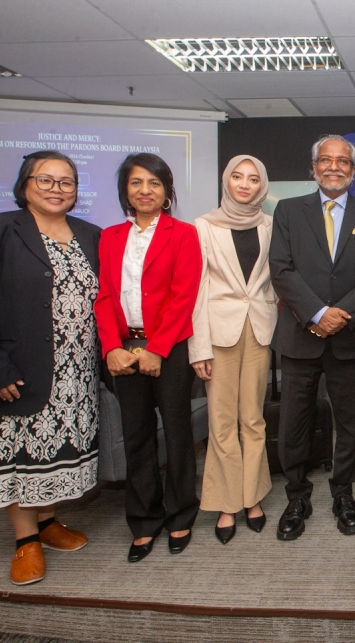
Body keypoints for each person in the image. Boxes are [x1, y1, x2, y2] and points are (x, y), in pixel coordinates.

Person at [0, 150, 100, 586]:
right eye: (46, 180)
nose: (57, 189)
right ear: (25, 185)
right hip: (16, 370)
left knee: (58, 452)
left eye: (66, 182)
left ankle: (48, 521)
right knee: (19, 454)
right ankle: (25, 541)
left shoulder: (90, 235)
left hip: (76, 371)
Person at [268, 134, 355, 540]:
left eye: (342, 161)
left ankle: (343, 493)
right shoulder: (287, 211)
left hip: (351, 337)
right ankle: (297, 496)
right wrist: (318, 314)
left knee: (350, 421)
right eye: (325, 160)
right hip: (301, 335)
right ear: (314, 168)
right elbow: (281, 269)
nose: (333, 166)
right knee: (295, 423)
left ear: (353, 172)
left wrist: (343, 315)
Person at [95, 153, 202, 562]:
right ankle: (143, 521)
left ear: (167, 191)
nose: (145, 190)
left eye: (154, 183)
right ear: (126, 190)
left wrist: (156, 349)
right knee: (136, 435)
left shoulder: (184, 234)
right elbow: (103, 297)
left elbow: (183, 296)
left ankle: (180, 514)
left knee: (177, 434)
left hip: (170, 348)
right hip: (123, 348)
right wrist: (112, 349)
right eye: (137, 183)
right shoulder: (109, 237)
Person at [189, 155, 277, 544]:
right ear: (226, 182)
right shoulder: (203, 226)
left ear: (263, 185)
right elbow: (198, 289)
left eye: (253, 178)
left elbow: (273, 283)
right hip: (217, 333)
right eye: (238, 177)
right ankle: (227, 502)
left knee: (253, 418)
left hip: (259, 330)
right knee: (221, 422)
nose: (245, 184)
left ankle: (253, 496)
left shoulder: (272, 226)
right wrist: (199, 348)